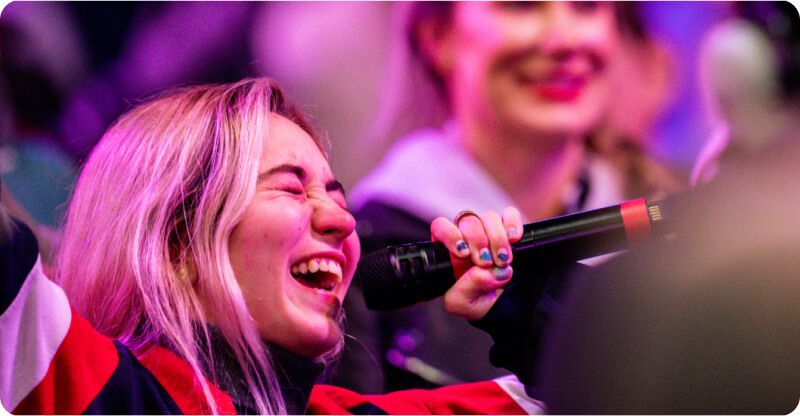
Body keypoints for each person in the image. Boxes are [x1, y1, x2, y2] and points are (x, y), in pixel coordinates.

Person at [0, 78, 546, 414]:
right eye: (291, 189)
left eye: (337, 195)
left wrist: (527, 316)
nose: (343, 221)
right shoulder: (107, 397)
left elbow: (580, 398)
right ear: (177, 246)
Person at [336, 1, 680, 393]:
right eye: (521, 5)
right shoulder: (367, 256)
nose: (563, 40)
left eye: (586, 6)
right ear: (438, 36)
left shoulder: (677, 215)